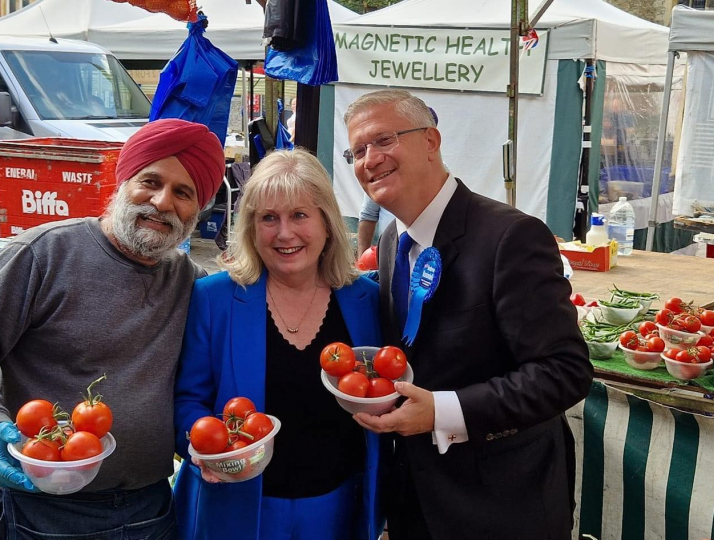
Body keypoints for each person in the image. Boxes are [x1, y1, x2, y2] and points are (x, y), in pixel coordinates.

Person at [0, 118, 226, 540]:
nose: (162, 203)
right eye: (150, 181)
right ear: (122, 180)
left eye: (183, 193)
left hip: (148, 511)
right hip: (34, 508)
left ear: (197, 211)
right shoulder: (42, 254)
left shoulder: (192, 285)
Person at [343, 89, 594, 539]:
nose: (370, 159)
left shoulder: (511, 237)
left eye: (383, 140)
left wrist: (441, 411)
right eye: (357, 151)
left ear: (431, 142)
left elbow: (565, 372)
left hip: (503, 505)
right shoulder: (386, 244)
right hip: (415, 501)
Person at [173, 148, 387, 540]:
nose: (284, 233)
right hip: (235, 505)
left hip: (339, 507)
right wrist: (205, 449)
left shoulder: (367, 299)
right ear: (251, 229)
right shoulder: (214, 298)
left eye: (300, 215)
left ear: (327, 223)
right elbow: (188, 399)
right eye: (268, 218)